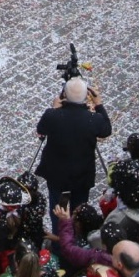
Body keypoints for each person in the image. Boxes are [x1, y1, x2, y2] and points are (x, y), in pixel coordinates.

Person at [34, 76, 111, 208]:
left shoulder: (52, 116)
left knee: (57, 209)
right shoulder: (94, 119)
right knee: (79, 211)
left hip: (56, 174)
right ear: (86, 96)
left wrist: (54, 109)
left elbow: (41, 129)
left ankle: (59, 221)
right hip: (82, 175)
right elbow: (106, 130)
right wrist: (98, 104)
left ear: (64, 94)